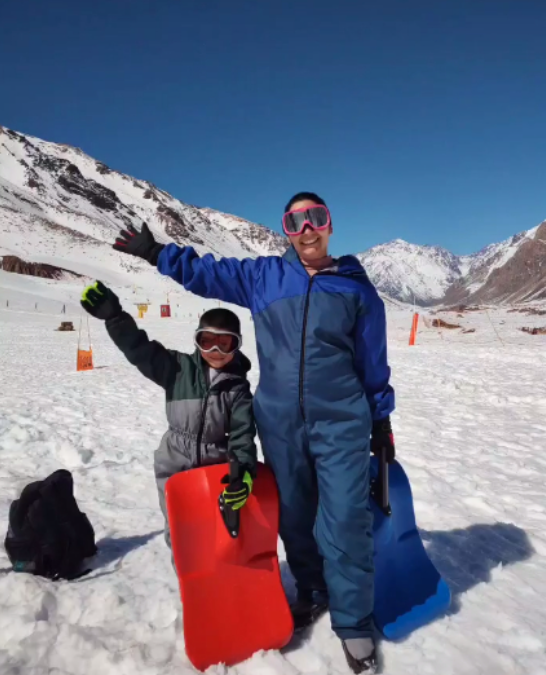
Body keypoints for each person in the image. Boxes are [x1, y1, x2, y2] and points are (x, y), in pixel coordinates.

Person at [112, 192, 395, 674]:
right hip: (280, 421)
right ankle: (312, 588)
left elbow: (372, 361)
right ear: (286, 229)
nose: (307, 228)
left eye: (316, 218)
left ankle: (353, 622)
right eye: (295, 220)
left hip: (343, 419)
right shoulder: (265, 277)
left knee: (346, 517)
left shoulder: (356, 289)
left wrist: (381, 417)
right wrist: (157, 253)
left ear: (330, 225)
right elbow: (209, 273)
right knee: (296, 515)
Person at [80, 281, 257, 549]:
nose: (215, 351)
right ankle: (189, 582)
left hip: (215, 468)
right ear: (197, 341)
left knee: (216, 533)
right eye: (207, 341)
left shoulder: (238, 388)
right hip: (174, 465)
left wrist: (243, 472)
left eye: (225, 343)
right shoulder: (176, 369)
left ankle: (215, 580)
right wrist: (116, 319)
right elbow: (139, 349)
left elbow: (242, 436)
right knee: (181, 533)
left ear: (236, 346)